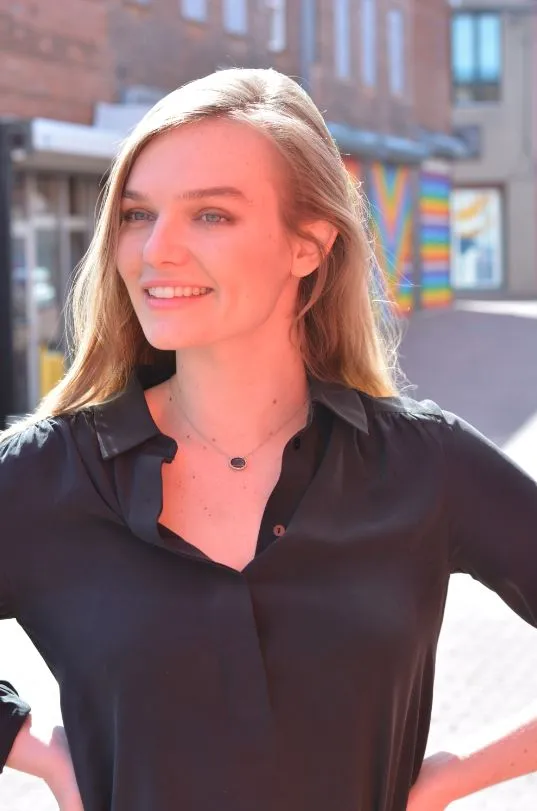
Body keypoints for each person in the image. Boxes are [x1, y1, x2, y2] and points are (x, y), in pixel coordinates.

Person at [0, 67, 536, 811]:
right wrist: (36, 751)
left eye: (210, 215)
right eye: (136, 214)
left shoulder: (422, 466)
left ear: (308, 245)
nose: (156, 249)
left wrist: (453, 775)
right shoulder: (48, 475)